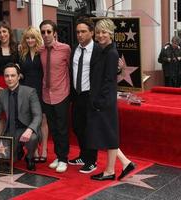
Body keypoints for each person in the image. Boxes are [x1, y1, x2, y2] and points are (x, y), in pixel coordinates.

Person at [88, 18, 135, 181]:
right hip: (102, 100)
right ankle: (125, 163)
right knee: (108, 135)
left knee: (109, 135)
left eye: (104, 32)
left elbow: (108, 81)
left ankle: (110, 171)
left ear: (111, 34)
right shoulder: (104, 51)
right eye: (98, 32)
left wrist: (99, 102)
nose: (100, 35)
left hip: (104, 102)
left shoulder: (111, 53)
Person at [0, 63, 42, 171]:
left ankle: (29, 157)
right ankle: (18, 151)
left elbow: (38, 115)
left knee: (33, 138)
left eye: (13, 75)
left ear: (18, 76)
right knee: (4, 166)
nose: (9, 79)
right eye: (7, 76)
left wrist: (30, 129)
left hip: (26, 129)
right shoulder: (2, 94)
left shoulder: (30, 92)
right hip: (10, 131)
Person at [68, 17, 101, 173]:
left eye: (83, 31)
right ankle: (83, 155)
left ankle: (92, 160)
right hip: (77, 95)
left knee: (91, 129)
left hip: (91, 95)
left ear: (92, 32)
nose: (80, 35)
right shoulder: (74, 49)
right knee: (77, 127)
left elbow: (106, 73)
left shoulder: (99, 50)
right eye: (78, 32)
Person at [39, 20, 71, 173]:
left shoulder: (66, 49)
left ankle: (64, 159)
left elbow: (73, 68)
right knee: (53, 128)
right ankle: (58, 156)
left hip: (61, 94)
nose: (45, 35)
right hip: (46, 95)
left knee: (62, 128)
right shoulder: (41, 51)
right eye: (43, 32)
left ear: (55, 33)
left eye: (48, 32)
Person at [19, 26, 48, 163]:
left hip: (40, 89)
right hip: (26, 90)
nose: (30, 40)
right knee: (31, 120)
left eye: (32, 37)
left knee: (42, 119)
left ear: (37, 39)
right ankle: (34, 149)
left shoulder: (42, 52)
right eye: (27, 38)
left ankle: (44, 149)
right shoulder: (22, 54)